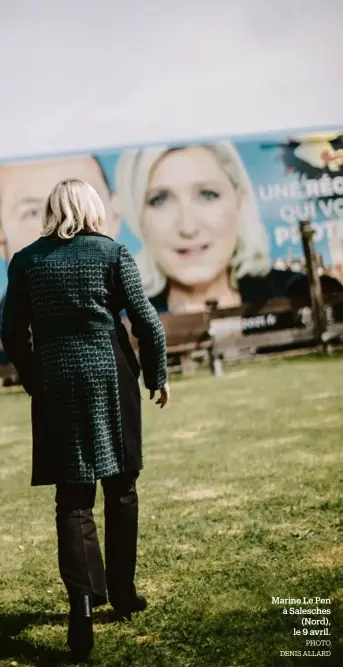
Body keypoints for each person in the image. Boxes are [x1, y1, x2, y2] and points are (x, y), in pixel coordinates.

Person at [0, 179, 170, 661]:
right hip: (111, 376)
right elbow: (146, 322)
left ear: (52, 211)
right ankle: (122, 593)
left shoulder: (27, 261)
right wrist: (157, 375)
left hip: (57, 380)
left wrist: (36, 376)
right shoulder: (113, 253)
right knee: (121, 487)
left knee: (73, 496)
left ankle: (83, 603)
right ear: (93, 208)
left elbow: (11, 332)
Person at [115, 141, 343, 333]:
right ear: (138, 218)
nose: (187, 227)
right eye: (160, 200)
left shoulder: (297, 291)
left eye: (207, 195)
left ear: (239, 200)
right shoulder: (123, 322)